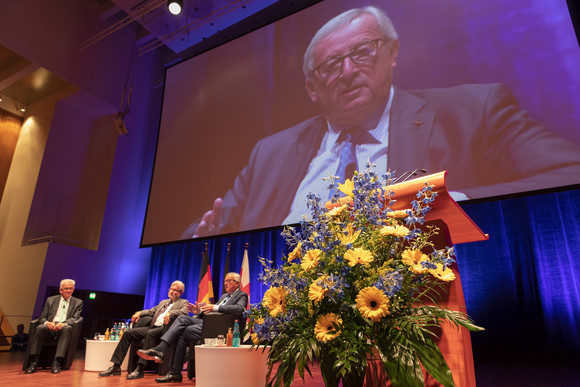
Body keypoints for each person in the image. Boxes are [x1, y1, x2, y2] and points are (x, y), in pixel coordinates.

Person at [183, 6, 580, 239]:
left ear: (391, 53)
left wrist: (450, 207)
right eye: (331, 65)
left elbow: (569, 170)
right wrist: (203, 237)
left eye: (363, 52)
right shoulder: (270, 152)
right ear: (312, 87)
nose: (349, 70)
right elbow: (209, 227)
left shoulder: (474, 111)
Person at [136, 272, 248, 383]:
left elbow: (239, 309)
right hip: (207, 322)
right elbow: (209, 312)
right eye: (224, 281)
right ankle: (168, 362)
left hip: (221, 328)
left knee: (181, 331)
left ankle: (168, 362)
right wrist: (198, 311)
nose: (225, 283)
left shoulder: (241, 295)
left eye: (228, 281)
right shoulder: (224, 296)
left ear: (237, 283)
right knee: (181, 320)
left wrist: (215, 307)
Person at [98, 281, 188, 380]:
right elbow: (151, 311)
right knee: (128, 333)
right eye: (171, 289)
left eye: (175, 290)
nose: (172, 291)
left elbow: (184, 312)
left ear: (180, 292)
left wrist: (170, 313)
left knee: (150, 333)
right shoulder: (164, 302)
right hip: (152, 327)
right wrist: (139, 313)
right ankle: (116, 366)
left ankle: (140, 369)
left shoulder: (183, 302)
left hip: (165, 330)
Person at [25, 279, 83, 374]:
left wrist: (65, 323)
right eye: (66, 289)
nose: (69, 291)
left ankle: (56, 362)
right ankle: (33, 362)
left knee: (67, 328)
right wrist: (47, 322)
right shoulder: (51, 300)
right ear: (60, 290)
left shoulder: (78, 302)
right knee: (40, 328)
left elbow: (75, 317)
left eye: (71, 288)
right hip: (50, 326)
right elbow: (42, 317)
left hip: (63, 326)